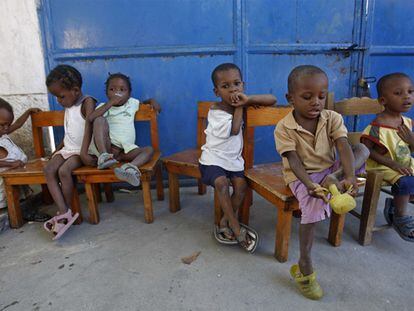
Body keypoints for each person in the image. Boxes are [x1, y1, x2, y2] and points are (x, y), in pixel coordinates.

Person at [274, 65, 369, 300]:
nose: (316, 102)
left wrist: (347, 175)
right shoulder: (284, 127)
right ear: (291, 98)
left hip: (330, 170)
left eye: (321, 96)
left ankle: (335, 179)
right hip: (302, 176)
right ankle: (304, 263)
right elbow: (293, 161)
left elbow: (343, 147)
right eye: (307, 97)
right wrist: (309, 185)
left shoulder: (332, 118)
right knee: (313, 206)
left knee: (363, 148)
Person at [199, 63, 276, 253]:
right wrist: (242, 105)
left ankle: (224, 221)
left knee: (241, 187)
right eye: (225, 87)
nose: (233, 89)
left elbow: (272, 99)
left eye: (237, 84)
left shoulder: (242, 99)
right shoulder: (216, 110)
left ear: (243, 85)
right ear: (217, 92)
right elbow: (234, 130)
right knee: (222, 184)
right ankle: (235, 227)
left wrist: (248, 99)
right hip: (213, 159)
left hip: (233, 161)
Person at [43, 64, 96, 240]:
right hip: (68, 148)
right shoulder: (69, 104)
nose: (59, 100)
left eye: (61, 96)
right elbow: (69, 132)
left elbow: (89, 127)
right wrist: (57, 150)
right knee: (49, 170)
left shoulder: (87, 102)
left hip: (82, 150)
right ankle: (64, 211)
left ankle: (64, 212)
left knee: (64, 171)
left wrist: (83, 153)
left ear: (75, 90)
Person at [361, 73, 414, 241]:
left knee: (408, 178)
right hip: (381, 166)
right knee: (406, 181)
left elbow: (410, 149)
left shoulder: (407, 122)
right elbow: (366, 150)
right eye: (398, 93)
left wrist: (412, 141)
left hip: (403, 163)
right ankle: (400, 216)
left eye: (411, 91)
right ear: (383, 101)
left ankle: (396, 203)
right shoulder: (377, 126)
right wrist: (392, 164)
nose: (407, 96)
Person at [86, 73, 161, 186]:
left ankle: (130, 169)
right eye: (112, 89)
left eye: (122, 90)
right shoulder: (103, 107)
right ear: (107, 93)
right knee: (99, 120)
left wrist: (152, 101)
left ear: (129, 94)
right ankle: (104, 157)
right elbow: (91, 118)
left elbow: (144, 103)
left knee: (149, 150)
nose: (117, 93)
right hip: (108, 147)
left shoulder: (132, 103)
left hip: (125, 151)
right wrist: (110, 103)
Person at [0, 98, 48, 222]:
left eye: (8, 125)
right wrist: (11, 163)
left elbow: (17, 124)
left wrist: (27, 112)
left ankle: (25, 207)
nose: (6, 128)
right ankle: (23, 212)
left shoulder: (2, 132)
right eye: (2, 124)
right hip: (4, 180)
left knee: (23, 195)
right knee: (13, 198)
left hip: (16, 173)